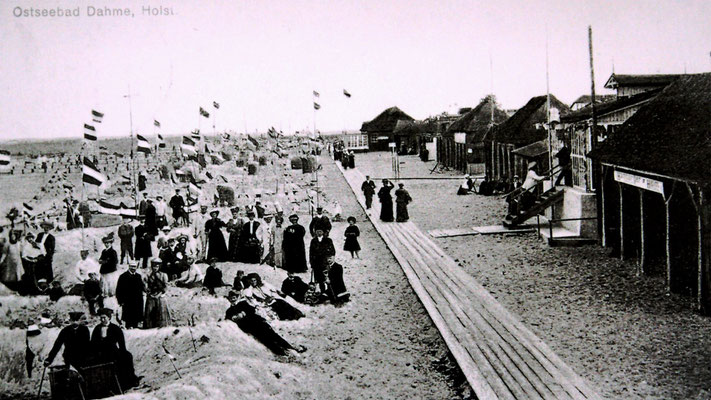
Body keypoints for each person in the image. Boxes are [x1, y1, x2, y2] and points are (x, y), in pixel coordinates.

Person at [225, 290, 306, 356]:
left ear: (237, 298)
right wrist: (234, 317)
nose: (233, 299)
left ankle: (290, 348)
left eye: (234, 297)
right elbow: (228, 319)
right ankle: (282, 353)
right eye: (231, 298)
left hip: (258, 322)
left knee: (273, 335)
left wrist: (243, 313)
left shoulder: (243, 304)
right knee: (266, 340)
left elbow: (252, 309)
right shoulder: (229, 311)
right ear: (229, 299)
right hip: (250, 327)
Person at [90, 308, 140, 389]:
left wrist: (123, 352)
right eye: (101, 318)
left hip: (113, 352)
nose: (102, 320)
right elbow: (93, 343)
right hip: (100, 353)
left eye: (104, 318)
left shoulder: (115, 328)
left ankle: (129, 380)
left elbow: (121, 343)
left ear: (109, 318)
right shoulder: (97, 329)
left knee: (127, 356)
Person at [116, 262, 144, 329]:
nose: (133, 268)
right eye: (131, 266)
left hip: (137, 300)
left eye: (134, 267)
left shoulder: (138, 276)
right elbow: (118, 290)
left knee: (136, 317)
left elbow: (141, 288)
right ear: (129, 266)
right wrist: (120, 301)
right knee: (128, 317)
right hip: (127, 301)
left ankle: (135, 329)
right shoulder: (123, 276)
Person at [144, 258, 171, 328]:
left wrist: (159, 294)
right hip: (151, 296)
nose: (155, 268)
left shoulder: (163, 275)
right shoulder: (148, 275)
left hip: (160, 296)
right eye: (153, 266)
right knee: (149, 312)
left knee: (161, 312)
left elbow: (166, 287)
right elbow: (146, 285)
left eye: (157, 266)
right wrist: (148, 291)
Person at [309, 228, 335, 293]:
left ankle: (330, 292)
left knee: (327, 277)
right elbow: (311, 252)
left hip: (325, 262)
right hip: (316, 262)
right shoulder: (313, 241)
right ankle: (322, 291)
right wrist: (311, 262)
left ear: (323, 232)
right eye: (317, 231)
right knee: (319, 278)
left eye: (320, 231)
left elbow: (332, 251)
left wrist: (330, 259)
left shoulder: (328, 240)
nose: (319, 233)